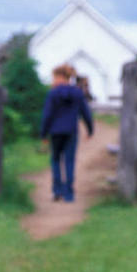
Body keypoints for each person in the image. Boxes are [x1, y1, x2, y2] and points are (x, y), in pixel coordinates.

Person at [40, 64, 94, 202]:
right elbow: (85, 112)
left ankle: (57, 191)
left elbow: (47, 115)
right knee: (69, 161)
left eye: (54, 77)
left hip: (55, 132)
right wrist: (90, 129)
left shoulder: (53, 93)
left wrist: (43, 133)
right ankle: (69, 194)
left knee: (56, 160)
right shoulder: (77, 93)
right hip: (71, 131)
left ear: (59, 76)